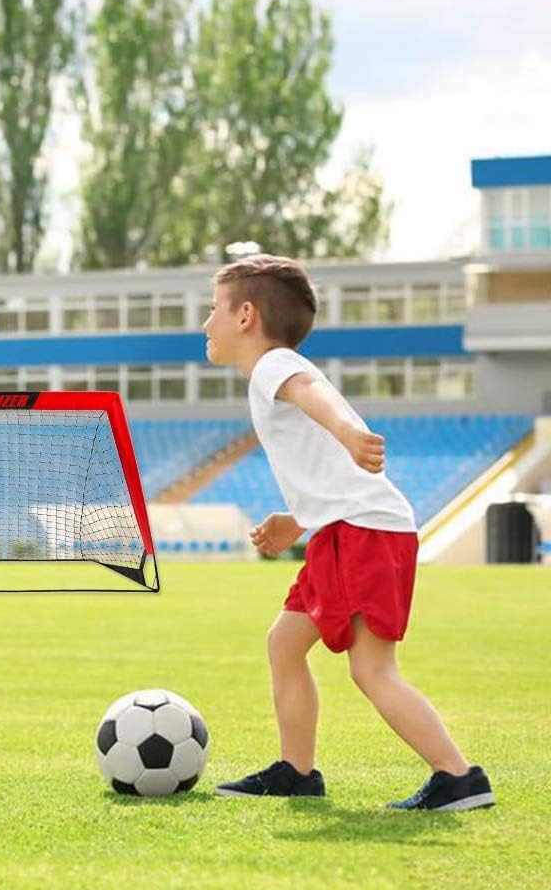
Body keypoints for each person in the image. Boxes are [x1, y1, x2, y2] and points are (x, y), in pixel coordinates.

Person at [202, 254, 493, 811]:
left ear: (244, 315)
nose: (204, 323)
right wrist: (296, 519)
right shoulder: (272, 369)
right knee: (285, 643)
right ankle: (297, 771)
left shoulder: (272, 364)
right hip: (342, 529)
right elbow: (318, 449)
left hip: (365, 532)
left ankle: (459, 776)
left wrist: (348, 432)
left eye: (212, 309)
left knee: (371, 668)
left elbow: (317, 397)